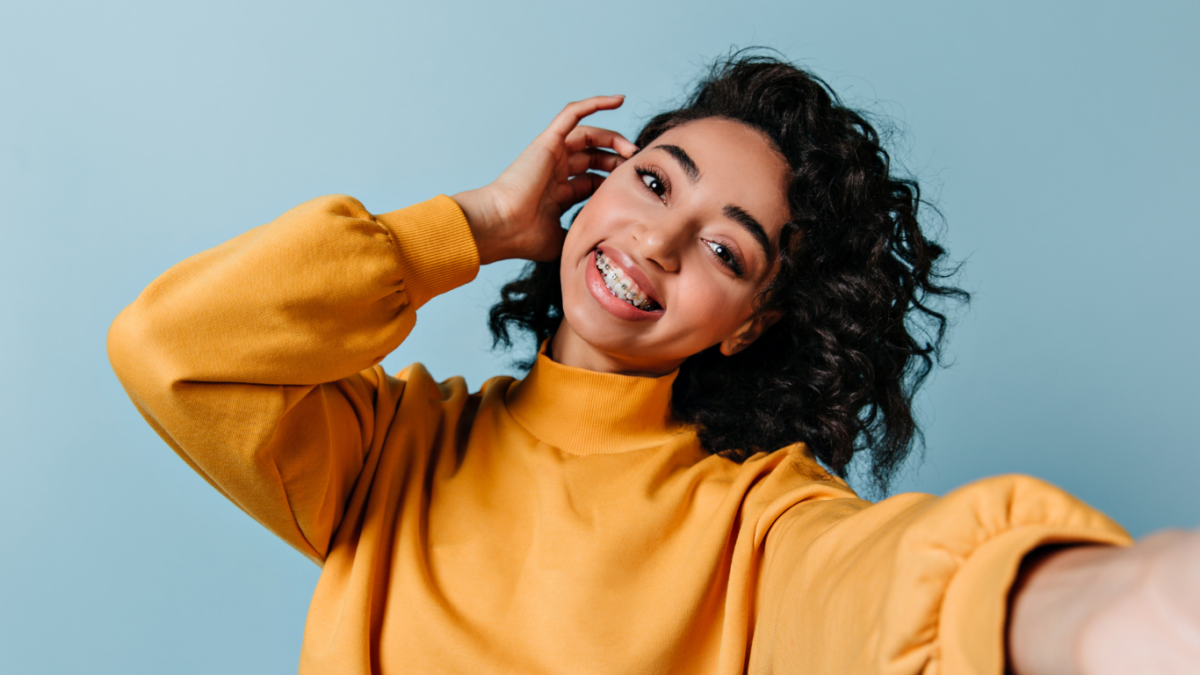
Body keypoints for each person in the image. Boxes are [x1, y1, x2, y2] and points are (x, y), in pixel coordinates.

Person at [107, 54, 1199, 674]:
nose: (660, 244)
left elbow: (886, 586)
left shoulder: (758, 523)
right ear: (593, 185)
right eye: (657, 183)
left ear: (748, 328)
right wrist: (480, 222)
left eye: (727, 251)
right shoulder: (391, 452)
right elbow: (175, 349)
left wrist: (1096, 606)